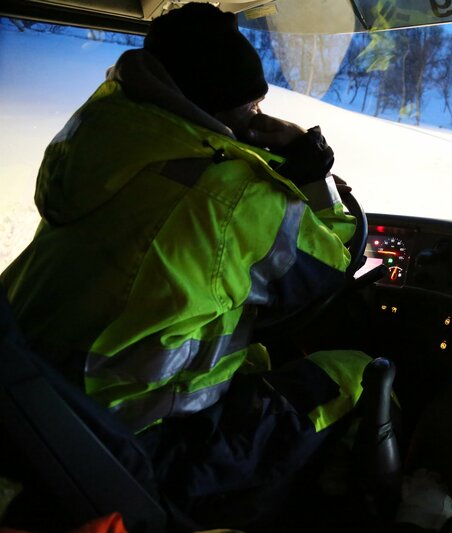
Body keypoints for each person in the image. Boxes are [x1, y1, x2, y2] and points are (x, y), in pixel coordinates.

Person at [0, 3, 375, 529]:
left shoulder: (100, 142)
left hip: (49, 418)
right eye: (251, 103)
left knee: (261, 360)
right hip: (148, 441)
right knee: (356, 374)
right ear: (217, 105)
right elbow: (336, 259)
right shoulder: (230, 194)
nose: (258, 112)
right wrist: (311, 170)